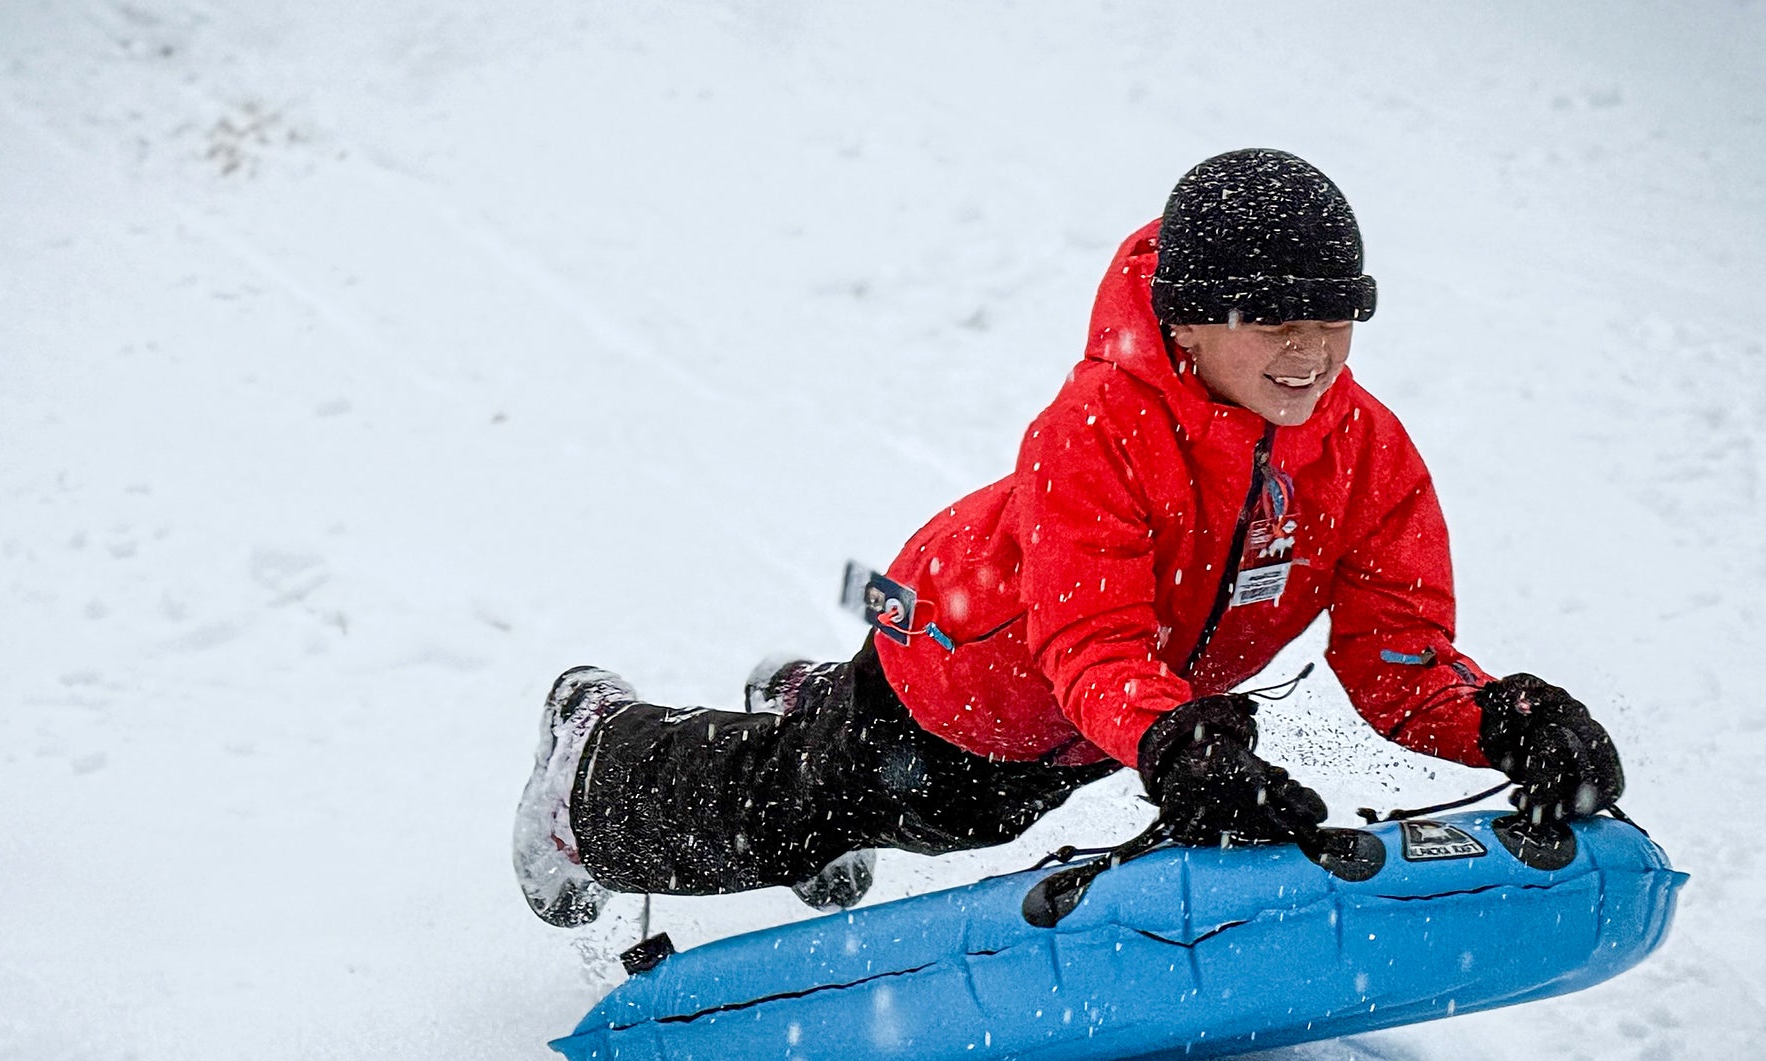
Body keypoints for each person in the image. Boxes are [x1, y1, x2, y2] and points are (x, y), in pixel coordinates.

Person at [511, 149, 1624, 928]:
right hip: (960, 657)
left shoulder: (1367, 455)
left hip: (1098, 726)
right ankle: (593, 763)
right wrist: (1179, 744)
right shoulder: (1097, 427)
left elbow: (1399, 659)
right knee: (801, 817)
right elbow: (1089, 646)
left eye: (1335, 316)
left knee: (968, 819)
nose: (1311, 351)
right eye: (1272, 320)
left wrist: (1504, 727)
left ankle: (811, 701)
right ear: (1188, 318)